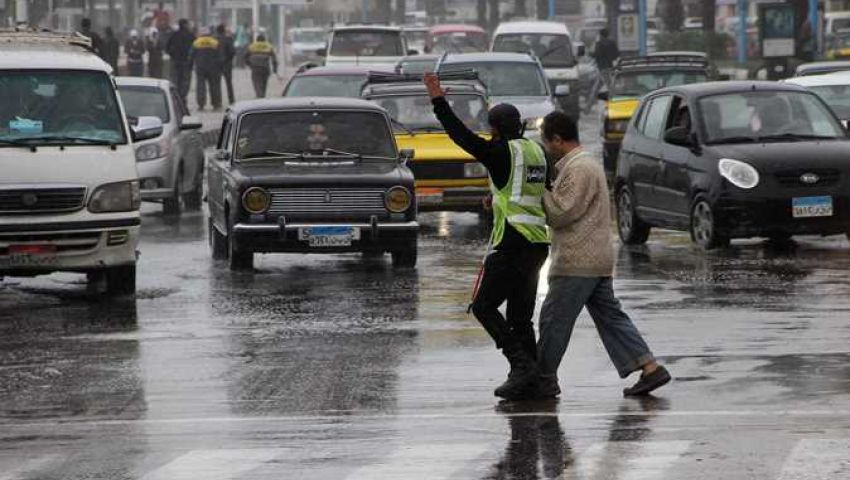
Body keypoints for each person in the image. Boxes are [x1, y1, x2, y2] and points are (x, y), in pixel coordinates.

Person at [424, 73, 550, 400]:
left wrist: (438, 100)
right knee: (521, 318)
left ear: (494, 129)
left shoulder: (498, 153)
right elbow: (528, 189)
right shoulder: (535, 151)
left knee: (482, 306)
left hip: (510, 240)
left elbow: (460, 136)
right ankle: (537, 381)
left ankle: (520, 366)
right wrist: (494, 198)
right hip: (537, 242)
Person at [535, 111, 671, 398]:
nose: (546, 149)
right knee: (611, 318)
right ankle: (650, 368)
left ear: (557, 140)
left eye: (546, 142)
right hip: (595, 259)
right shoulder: (582, 165)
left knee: (553, 320)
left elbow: (561, 212)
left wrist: (538, 193)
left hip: (577, 259)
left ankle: (542, 379)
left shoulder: (579, 168)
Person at [585, 29, 619, 113]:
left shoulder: (599, 44)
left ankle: (614, 106)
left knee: (610, 89)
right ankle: (587, 109)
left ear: (600, 35)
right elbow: (617, 54)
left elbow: (596, 55)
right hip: (609, 68)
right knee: (596, 89)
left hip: (602, 69)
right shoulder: (612, 43)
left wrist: (589, 53)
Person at [190, 26, 224, 111]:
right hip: (214, 68)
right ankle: (216, 104)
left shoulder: (196, 42)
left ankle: (201, 104)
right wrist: (220, 67)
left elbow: (191, 56)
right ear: (210, 33)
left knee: (200, 86)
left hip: (200, 68)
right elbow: (220, 56)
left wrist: (190, 66)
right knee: (214, 86)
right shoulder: (215, 42)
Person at [166, 19, 196, 110]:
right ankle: (182, 100)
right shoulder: (191, 36)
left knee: (175, 82)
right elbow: (195, 49)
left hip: (175, 62)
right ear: (185, 25)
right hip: (186, 63)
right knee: (185, 83)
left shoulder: (174, 35)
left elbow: (167, 47)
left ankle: (176, 101)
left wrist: (173, 54)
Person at [244, 34, 279, 98]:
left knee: (257, 84)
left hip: (255, 68)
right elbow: (274, 59)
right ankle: (262, 97)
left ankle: (259, 97)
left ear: (257, 40)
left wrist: (250, 64)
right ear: (265, 40)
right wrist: (275, 69)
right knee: (264, 85)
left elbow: (245, 57)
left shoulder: (252, 46)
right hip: (265, 69)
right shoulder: (268, 46)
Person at [216, 24, 237, 105]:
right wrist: (229, 60)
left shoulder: (214, 39)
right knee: (229, 83)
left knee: (216, 84)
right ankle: (231, 100)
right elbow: (232, 52)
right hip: (227, 64)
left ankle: (218, 102)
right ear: (224, 31)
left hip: (216, 64)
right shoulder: (229, 39)